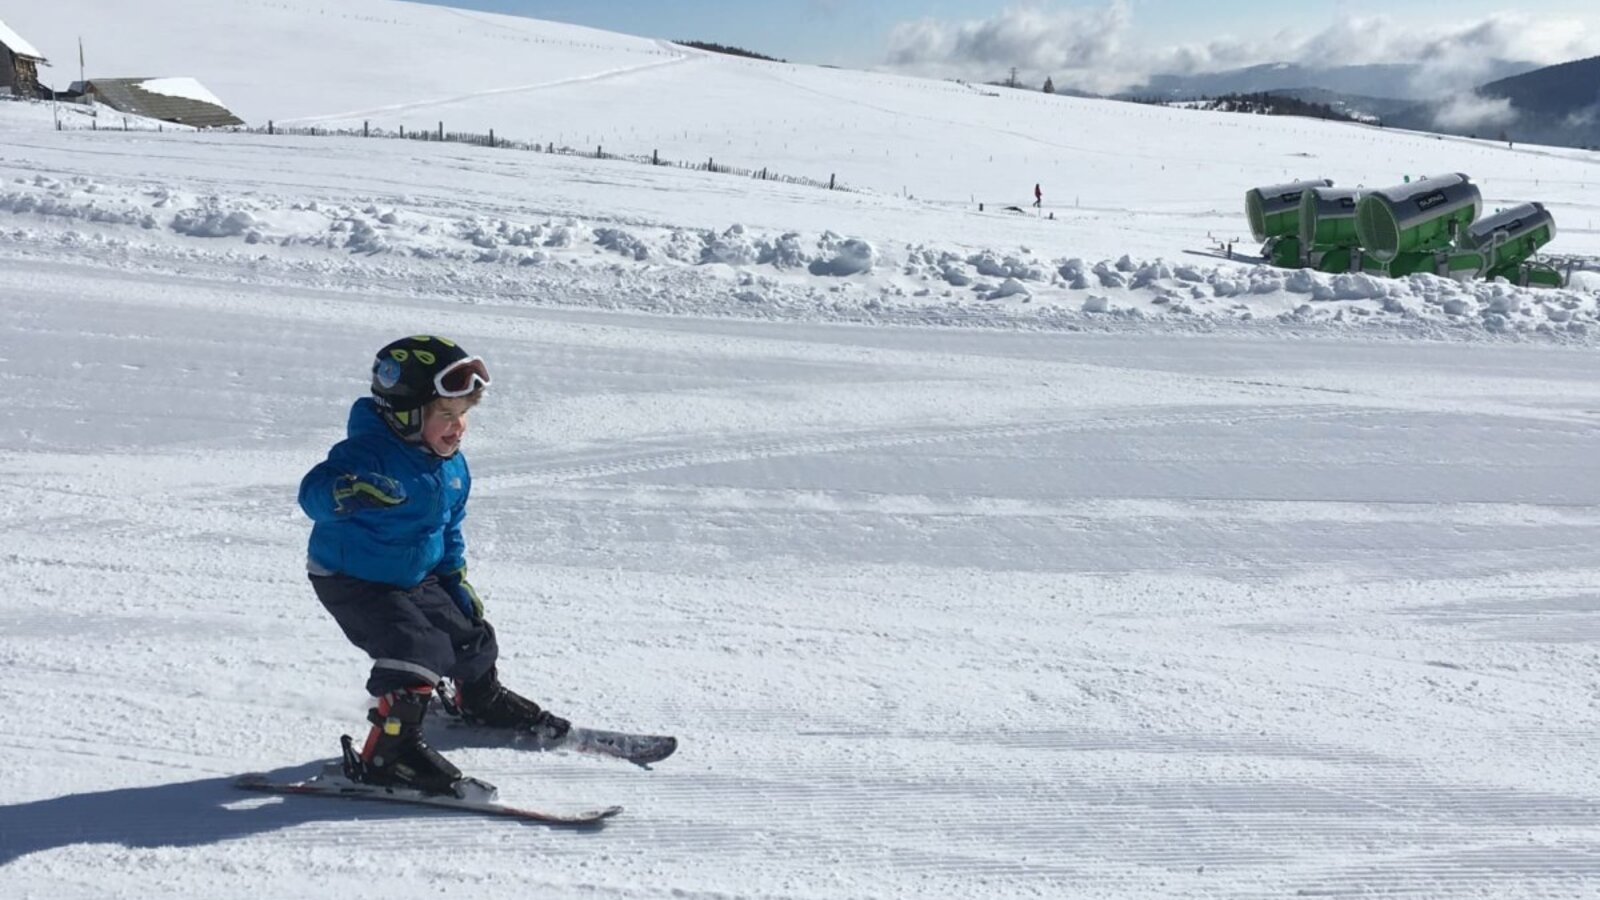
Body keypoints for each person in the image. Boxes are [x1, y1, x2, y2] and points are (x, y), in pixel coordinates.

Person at [298, 335, 568, 795]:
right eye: (445, 414)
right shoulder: (368, 455)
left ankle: (478, 701)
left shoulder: (452, 467)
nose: (458, 427)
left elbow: (449, 528)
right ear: (404, 412)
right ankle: (388, 755)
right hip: (353, 580)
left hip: (415, 575)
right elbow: (312, 494)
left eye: (463, 414)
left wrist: (454, 578)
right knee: (416, 650)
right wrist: (347, 491)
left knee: (471, 634)